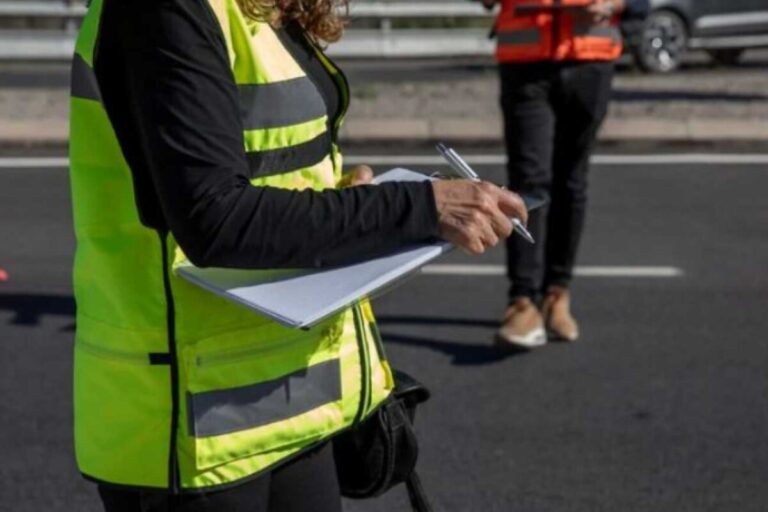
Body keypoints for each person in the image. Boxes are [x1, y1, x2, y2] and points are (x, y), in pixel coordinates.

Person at [68, 0, 528, 511]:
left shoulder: (252, 7)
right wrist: (413, 207)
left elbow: (266, 168)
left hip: (290, 402)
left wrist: (346, 199)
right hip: (193, 429)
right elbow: (214, 219)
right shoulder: (164, 11)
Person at [480, 0, 649, 348]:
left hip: (591, 58)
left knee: (572, 179)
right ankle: (522, 301)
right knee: (528, 180)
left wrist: (612, 3)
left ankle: (558, 293)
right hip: (525, 61)